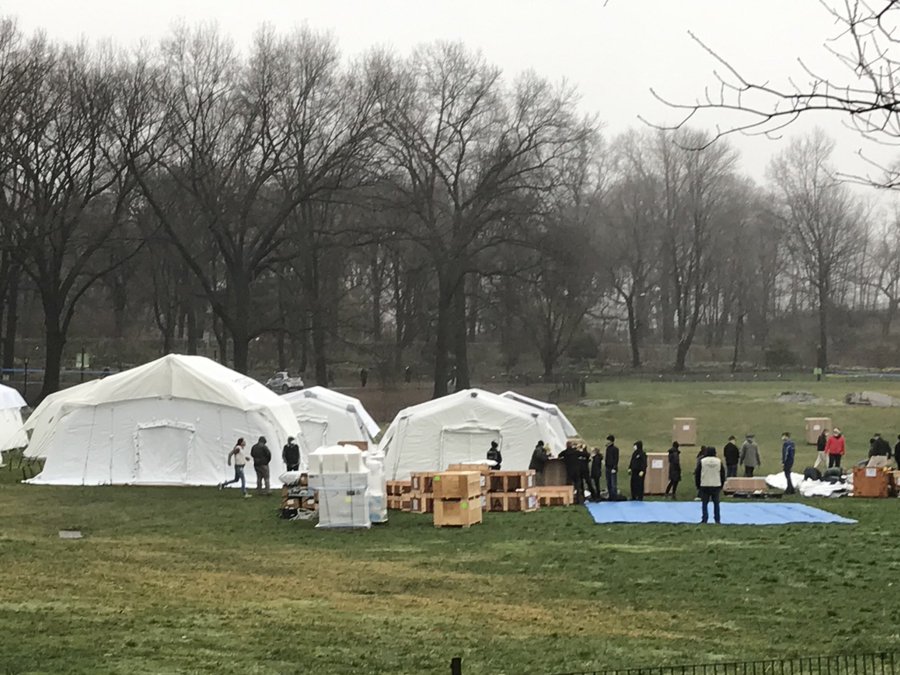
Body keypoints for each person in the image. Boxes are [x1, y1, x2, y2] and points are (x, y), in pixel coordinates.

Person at [694, 446, 725, 524]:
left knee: (704, 503)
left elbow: (697, 474)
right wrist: (721, 484)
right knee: (716, 504)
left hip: (705, 484)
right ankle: (717, 519)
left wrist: (698, 485)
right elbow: (722, 474)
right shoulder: (719, 461)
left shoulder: (702, 461)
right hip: (716, 484)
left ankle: (705, 519)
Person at [604, 435, 619, 499]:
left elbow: (616, 459)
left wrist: (614, 467)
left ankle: (614, 496)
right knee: (608, 482)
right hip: (607, 467)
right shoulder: (607, 448)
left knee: (613, 483)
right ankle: (610, 495)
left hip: (612, 468)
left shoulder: (615, 449)